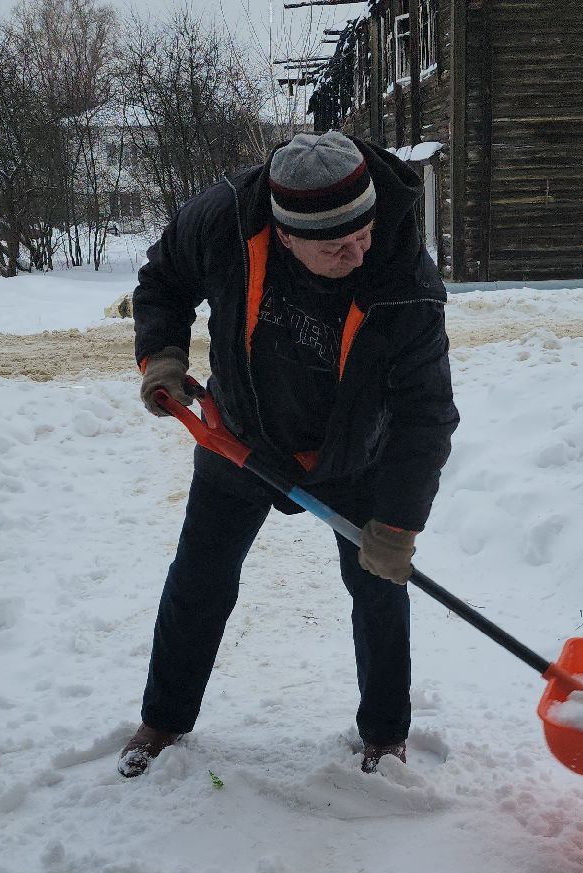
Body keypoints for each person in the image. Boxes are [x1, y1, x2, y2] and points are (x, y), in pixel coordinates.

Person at [122, 130, 459, 778]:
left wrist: (397, 525)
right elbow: (164, 280)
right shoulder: (225, 218)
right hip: (240, 434)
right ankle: (163, 719)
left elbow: (426, 414)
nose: (359, 253)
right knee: (200, 577)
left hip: (357, 454)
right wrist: (163, 356)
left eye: (364, 233)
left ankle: (385, 735)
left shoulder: (402, 275)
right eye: (337, 245)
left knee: (378, 586)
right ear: (285, 232)